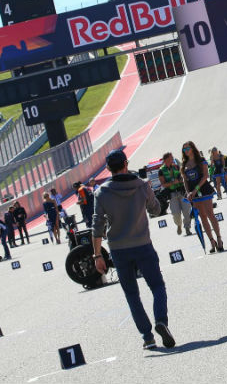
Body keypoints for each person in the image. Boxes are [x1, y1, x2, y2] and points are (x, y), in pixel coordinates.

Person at [92, 149, 175, 350]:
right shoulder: (142, 185)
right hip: (142, 243)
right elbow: (156, 209)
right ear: (126, 164)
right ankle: (160, 320)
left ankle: (147, 337)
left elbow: (97, 225)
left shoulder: (101, 192)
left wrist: (97, 255)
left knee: (131, 294)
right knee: (157, 286)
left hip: (118, 249)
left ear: (108, 168)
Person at [180, 141, 223, 253]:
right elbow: (185, 180)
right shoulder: (184, 164)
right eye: (184, 149)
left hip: (203, 189)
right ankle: (211, 241)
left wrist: (195, 190)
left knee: (210, 214)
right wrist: (188, 192)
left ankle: (219, 238)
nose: (186, 151)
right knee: (202, 217)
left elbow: (205, 176)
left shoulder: (201, 160)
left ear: (193, 148)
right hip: (192, 193)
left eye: (188, 148)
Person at [157, 152, 192, 236]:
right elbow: (163, 184)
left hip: (182, 192)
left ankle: (187, 228)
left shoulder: (176, 166)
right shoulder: (161, 170)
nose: (172, 159)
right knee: (175, 214)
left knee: (186, 211)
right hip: (172, 194)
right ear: (166, 160)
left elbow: (183, 176)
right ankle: (179, 224)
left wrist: (180, 180)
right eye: (171, 158)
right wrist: (172, 183)